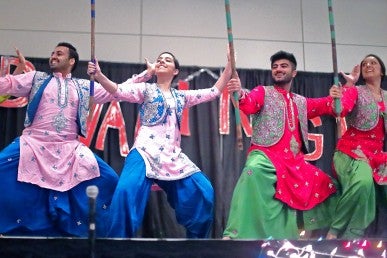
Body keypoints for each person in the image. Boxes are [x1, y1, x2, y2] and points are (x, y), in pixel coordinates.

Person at [0, 42, 149, 237]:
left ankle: (112, 239)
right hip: (34, 142)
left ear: (71, 61)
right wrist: (15, 72)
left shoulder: (84, 86)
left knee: (111, 180)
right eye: (52, 53)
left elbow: (117, 90)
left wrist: (145, 75)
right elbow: (6, 85)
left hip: (69, 147)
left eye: (59, 54)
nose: (53, 56)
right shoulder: (35, 78)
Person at [87, 50, 232, 238]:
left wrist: (229, 67)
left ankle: (197, 246)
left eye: (168, 60)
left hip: (172, 156)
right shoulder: (145, 90)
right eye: (159, 59)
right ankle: (116, 247)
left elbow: (214, 92)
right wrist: (98, 75)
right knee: (124, 193)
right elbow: (117, 90)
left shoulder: (182, 96)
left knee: (204, 192)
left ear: (176, 71)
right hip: (144, 152)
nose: (162, 61)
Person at [222, 50, 341, 239]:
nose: (278, 69)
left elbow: (330, 106)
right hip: (265, 155)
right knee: (253, 170)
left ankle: (324, 236)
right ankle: (233, 234)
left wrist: (338, 93)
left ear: (294, 72)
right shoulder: (263, 92)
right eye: (275, 67)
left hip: (293, 162)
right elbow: (249, 102)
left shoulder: (301, 102)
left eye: (284, 66)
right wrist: (239, 93)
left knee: (331, 186)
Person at [326, 54, 387, 239]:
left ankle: (354, 237)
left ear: (382, 71)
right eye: (364, 63)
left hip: (376, 156)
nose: (368, 65)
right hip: (351, 152)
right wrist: (344, 90)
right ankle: (336, 233)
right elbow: (340, 110)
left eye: (373, 63)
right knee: (363, 183)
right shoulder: (356, 91)